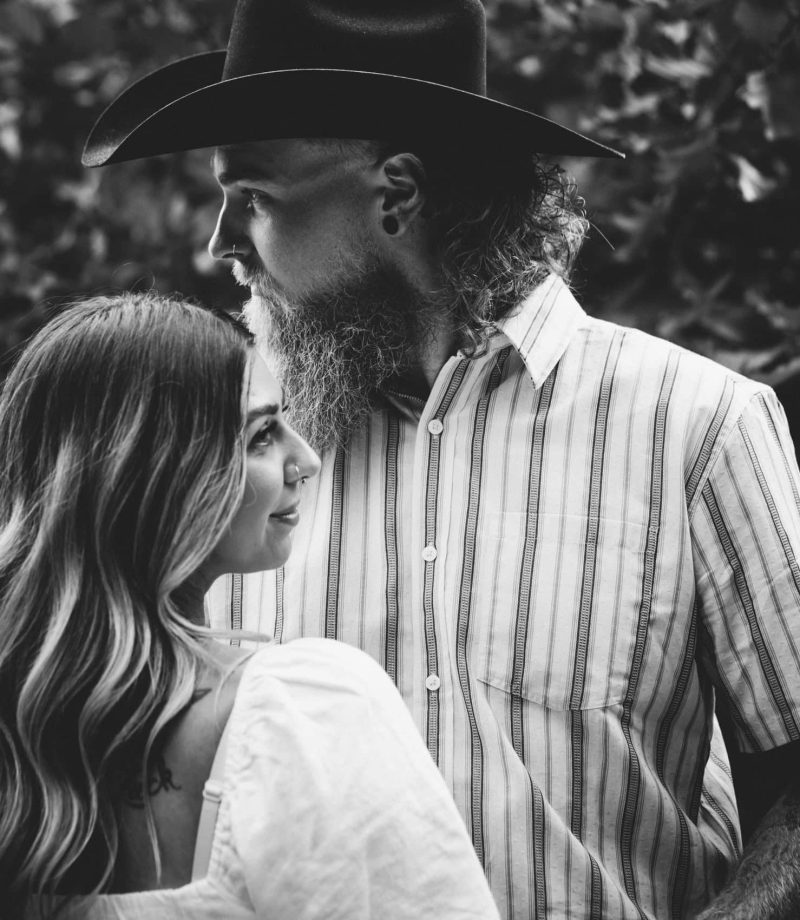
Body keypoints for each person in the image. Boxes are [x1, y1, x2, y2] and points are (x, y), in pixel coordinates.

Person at [81, 1, 800, 917]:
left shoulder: (697, 425)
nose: (219, 241)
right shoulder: (212, 444)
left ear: (398, 194)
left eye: (252, 195)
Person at [0, 292, 502, 920]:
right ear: (161, 471)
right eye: (262, 434)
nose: (306, 460)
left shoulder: (22, 736)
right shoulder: (297, 715)